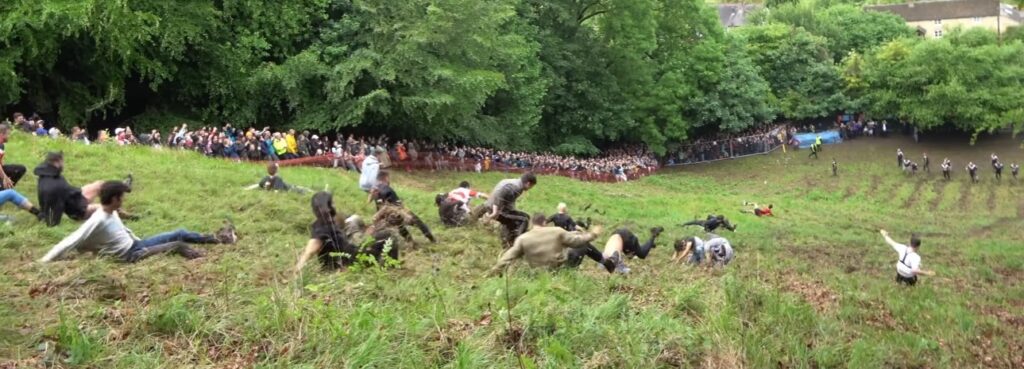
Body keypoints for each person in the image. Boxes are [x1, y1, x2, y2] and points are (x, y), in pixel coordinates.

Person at [38, 181, 236, 263]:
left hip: (137, 244)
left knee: (180, 232)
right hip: (130, 255)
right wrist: (44, 261)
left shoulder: (109, 211)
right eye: (121, 198)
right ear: (114, 199)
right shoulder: (97, 219)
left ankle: (220, 239)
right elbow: (70, 240)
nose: (123, 201)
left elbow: (123, 230)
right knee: (178, 245)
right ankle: (201, 260)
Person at [295, 192, 400, 272]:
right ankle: (389, 270)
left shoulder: (328, 222)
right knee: (390, 236)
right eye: (332, 203)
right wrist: (298, 268)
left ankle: (385, 266)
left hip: (351, 255)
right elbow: (311, 249)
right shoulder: (322, 227)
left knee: (382, 235)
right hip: (351, 261)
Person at [487, 213, 612, 275]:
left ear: (532, 224)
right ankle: (606, 263)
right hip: (558, 269)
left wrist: (493, 272)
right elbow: (577, 242)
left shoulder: (523, 238)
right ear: (545, 223)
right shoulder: (556, 231)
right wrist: (593, 234)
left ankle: (606, 263)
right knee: (584, 245)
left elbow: (508, 257)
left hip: (538, 273)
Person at [35, 152, 132, 227]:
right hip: (79, 210)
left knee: (99, 184)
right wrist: (48, 218)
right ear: (56, 162)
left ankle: (123, 186)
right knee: (109, 206)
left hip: (76, 196)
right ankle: (131, 217)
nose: (63, 164)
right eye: (62, 161)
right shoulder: (54, 186)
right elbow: (52, 208)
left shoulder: (47, 174)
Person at [471, 172, 538, 247]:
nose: (530, 189)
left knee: (525, 216)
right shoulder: (515, 187)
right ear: (528, 183)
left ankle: (507, 238)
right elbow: (499, 195)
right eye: (531, 186)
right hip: (497, 209)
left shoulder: (514, 183)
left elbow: (509, 200)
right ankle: (516, 244)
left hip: (497, 206)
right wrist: (495, 212)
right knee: (523, 220)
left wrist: (513, 212)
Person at [368, 171, 436, 243]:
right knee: (418, 222)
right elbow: (397, 203)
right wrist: (407, 212)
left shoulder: (375, 190)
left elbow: (379, 207)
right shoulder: (387, 188)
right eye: (389, 178)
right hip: (396, 211)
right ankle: (432, 239)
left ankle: (410, 242)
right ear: (386, 178)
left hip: (386, 215)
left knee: (400, 226)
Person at [245, 163, 309, 193]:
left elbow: (258, 185)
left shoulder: (265, 178)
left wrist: (247, 188)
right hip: (292, 189)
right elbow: (276, 191)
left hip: (290, 187)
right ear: (276, 170)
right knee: (305, 190)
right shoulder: (278, 179)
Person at [0, 124, 27, 190]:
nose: (9, 136)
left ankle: (5, 189)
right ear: (1, 134)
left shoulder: (2, 145)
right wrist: (5, 177)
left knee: (20, 169)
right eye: (8, 134)